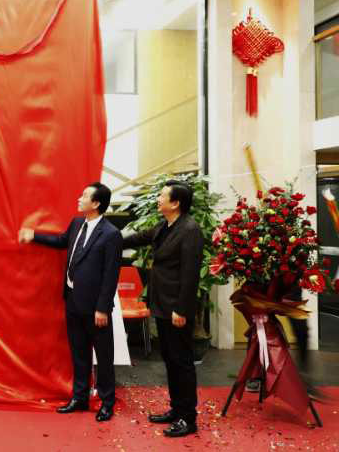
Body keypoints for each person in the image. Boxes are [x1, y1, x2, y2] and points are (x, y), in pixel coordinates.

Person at [19, 183, 122, 422]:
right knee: (79, 353)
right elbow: (61, 241)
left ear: (96, 203)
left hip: (96, 308)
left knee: (104, 357)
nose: (79, 198)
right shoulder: (77, 224)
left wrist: (102, 308)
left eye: (84, 196)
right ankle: (79, 397)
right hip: (73, 301)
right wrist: (34, 236)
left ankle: (107, 402)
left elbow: (111, 275)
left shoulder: (111, 234)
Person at [122, 180, 203, 438]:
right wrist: (108, 238)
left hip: (176, 308)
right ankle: (176, 409)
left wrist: (182, 309)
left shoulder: (190, 230)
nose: (158, 199)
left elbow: (190, 275)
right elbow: (139, 238)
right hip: (161, 304)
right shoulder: (165, 226)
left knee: (182, 362)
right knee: (170, 359)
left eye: (162, 196)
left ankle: (188, 418)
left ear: (175, 203)